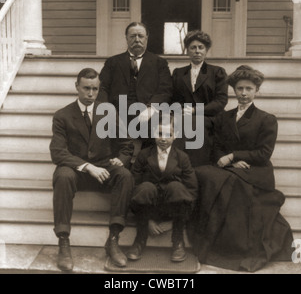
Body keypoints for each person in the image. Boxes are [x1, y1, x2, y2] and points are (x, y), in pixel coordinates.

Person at [188, 65, 294, 272]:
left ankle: (233, 247)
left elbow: (264, 153)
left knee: (228, 183)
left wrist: (234, 155)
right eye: (239, 89)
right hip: (233, 167)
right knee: (203, 174)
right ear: (233, 91)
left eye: (248, 89)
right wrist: (228, 160)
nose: (244, 94)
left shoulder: (266, 119)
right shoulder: (224, 117)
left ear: (257, 90)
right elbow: (217, 145)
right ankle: (207, 236)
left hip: (256, 171)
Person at [49, 68, 134, 271]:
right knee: (62, 175)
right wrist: (88, 167)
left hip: (105, 167)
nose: (90, 94)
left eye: (95, 89)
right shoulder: (62, 115)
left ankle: (113, 239)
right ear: (76, 87)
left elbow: (127, 145)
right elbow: (57, 152)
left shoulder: (108, 112)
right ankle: (63, 242)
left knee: (125, 176)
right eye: (86, 88)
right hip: (76, 169)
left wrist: (120, 160)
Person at [127, 115, 198, 262]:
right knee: (145, 187)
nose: (163, 139)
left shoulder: (182, 157)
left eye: (168, 134)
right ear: (153, 133)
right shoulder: (144, 154)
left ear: (175, 135)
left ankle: (178, 241)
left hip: (173, 209)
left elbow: (191, 189)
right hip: (147, 208)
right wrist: (148, 221)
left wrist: (172, 222)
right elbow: (133, 186)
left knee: (177, 187)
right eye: (160, 133)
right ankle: (140, 239)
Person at [98, 22, 173, 158]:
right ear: (126, 38)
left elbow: (165, 90)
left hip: (147, 113)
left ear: (147, 38)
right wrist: (108, 110)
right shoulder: (113, 62)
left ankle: (148, 167)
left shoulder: (159, 63)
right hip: (118, 113)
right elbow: (102, 88)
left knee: (159, 129)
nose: (137, 39)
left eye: (140, 36)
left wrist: (151, 108)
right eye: (132, 36)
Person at [172, 30, 228, 167]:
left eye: (201, 47)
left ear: (206, 50)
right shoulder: (179, 73)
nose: (197, 51)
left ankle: (195, 167)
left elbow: (221, 101)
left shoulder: (217, 72)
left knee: (194, 124)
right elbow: (174, 98)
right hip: (185, 116)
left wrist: (195, 110)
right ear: (187, 51)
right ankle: (177, 166)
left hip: (210, 116)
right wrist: (180, 111)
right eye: (193, 47)